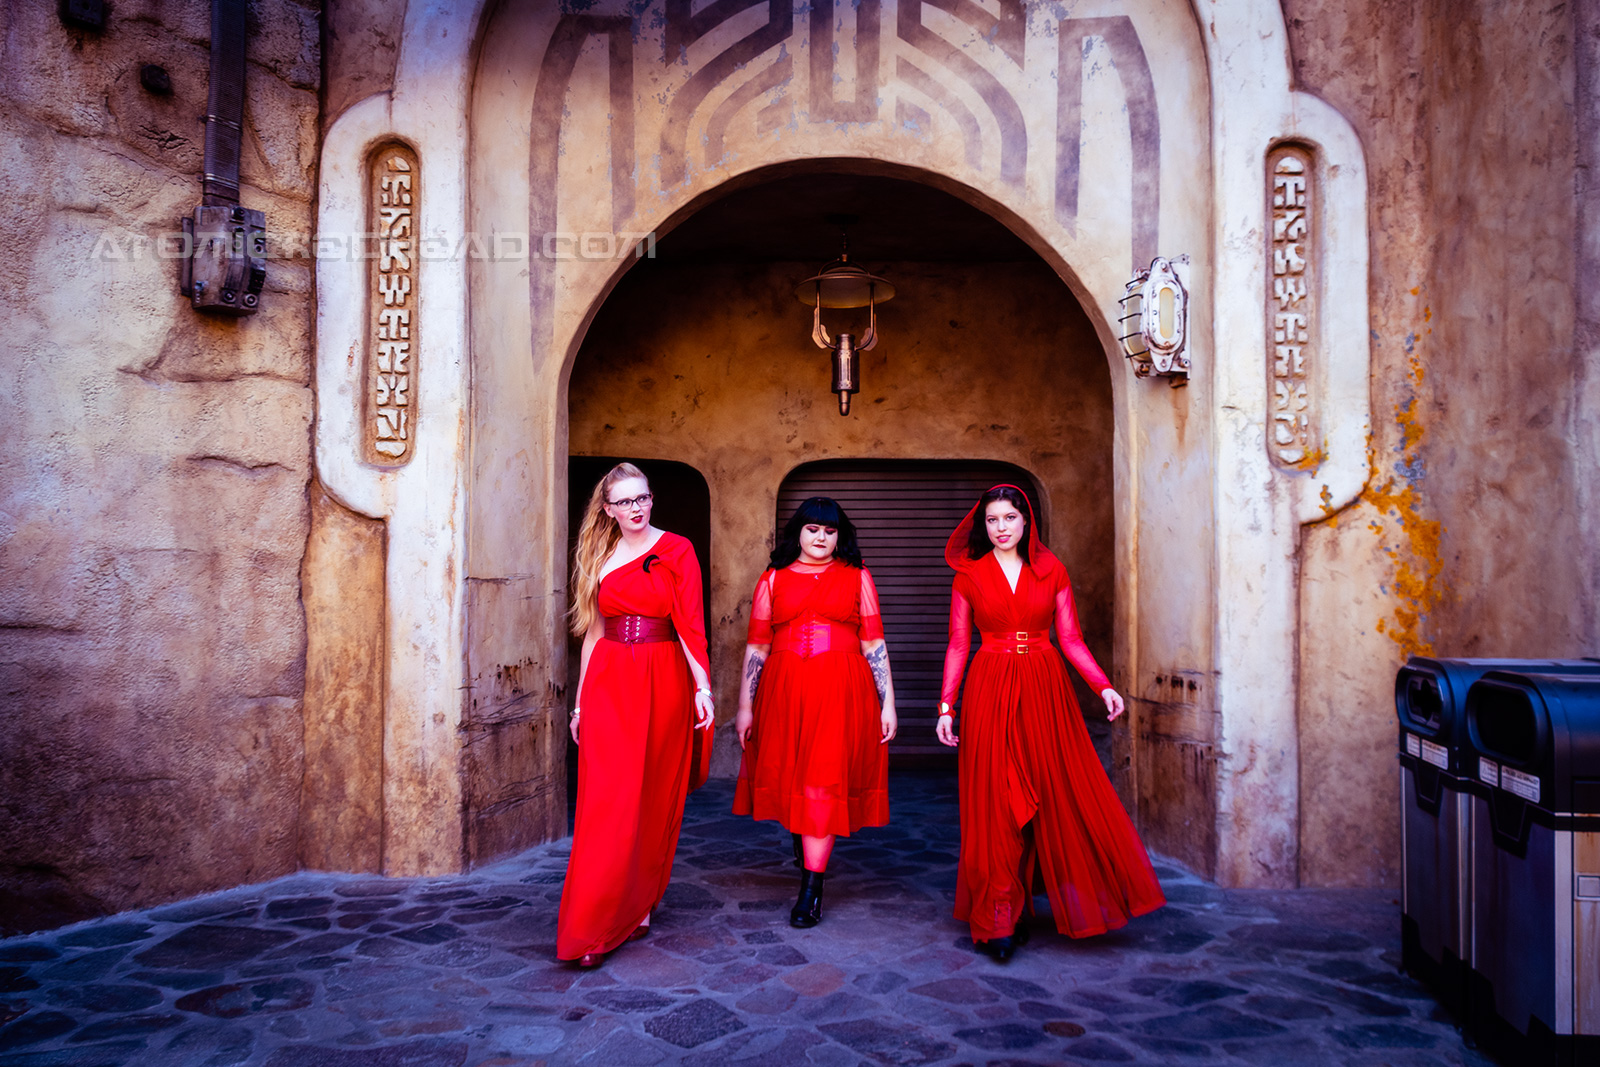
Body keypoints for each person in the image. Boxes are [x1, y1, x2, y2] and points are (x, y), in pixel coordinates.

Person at [937, 484, 1164, 960]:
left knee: (1054, 792)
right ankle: (998, 913)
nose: (1001, 528)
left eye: (1009, 519)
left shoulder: (1051, 569)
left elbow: (1072, 639)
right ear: (984, 526)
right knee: (997, 799)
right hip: (990, 684)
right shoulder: (968, 575)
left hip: (1045, 686)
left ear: (1026, 523)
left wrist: (1102, 686)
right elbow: (959, 644)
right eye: (992, 520)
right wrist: (945, 706)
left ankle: (1026, 905)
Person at [557, 463, 715, 968]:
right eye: (625, 502)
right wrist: (580, 702)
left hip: (662, 676)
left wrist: (703, 686)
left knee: (651, 796)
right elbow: (593, 633)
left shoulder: (677, 550)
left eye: (642, 497)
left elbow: (690, 623)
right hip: (609, 681)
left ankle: (639, 902)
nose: (637, 508)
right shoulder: (599, 556)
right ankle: (594, 925)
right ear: (608, 509)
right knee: (606, 802)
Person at [733, 496, 897, 928]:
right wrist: (745, 707)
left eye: (829, 531)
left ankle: (811, 891)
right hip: (784, 692)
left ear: (839, 536)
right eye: (813, 529)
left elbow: (873, 643)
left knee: (822, 786)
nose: (821, 537)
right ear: (798, 533)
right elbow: (757, 646)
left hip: (841, 691)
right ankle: (803, 844)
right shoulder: (772, 580)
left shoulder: (858, 576)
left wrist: (889, 702)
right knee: (792, 776)